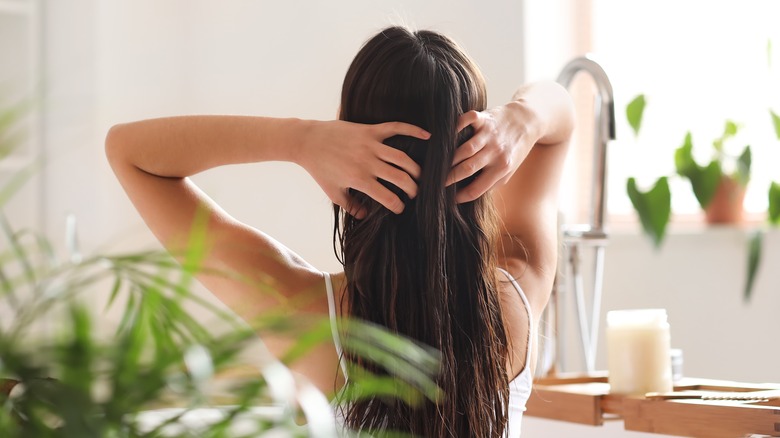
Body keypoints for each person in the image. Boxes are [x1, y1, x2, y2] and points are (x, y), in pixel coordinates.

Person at [106, 26, 573, 437]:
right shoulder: (516, 304)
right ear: (478, 152)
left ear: (348, 146)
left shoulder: (303, 314)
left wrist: (301, 140)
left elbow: (129, 150)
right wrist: (522, 118)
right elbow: (561, 117)